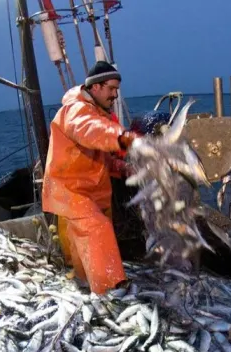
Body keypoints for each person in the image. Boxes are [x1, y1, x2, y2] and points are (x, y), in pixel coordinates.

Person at [42, 61, 140, 295]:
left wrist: (123, 168)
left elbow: (99, 156)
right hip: (70, 189)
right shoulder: (76, 110)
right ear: (96, 87)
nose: (115, 95)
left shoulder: (96, 111)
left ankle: (84, 281)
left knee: (83, 241)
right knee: (97, 228)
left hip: (92, 189)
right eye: (111, 89)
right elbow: (90, 131)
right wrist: (125, 138)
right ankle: (111, 292)